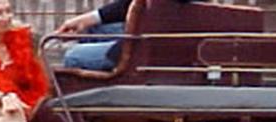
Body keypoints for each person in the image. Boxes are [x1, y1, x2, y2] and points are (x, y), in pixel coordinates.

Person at [57, 0, 192, 71]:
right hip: (155, 35)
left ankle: (93, 111)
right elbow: (130, 5)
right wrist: (87, 19)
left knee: (72, 56)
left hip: (149, 46)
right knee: (94, 29)